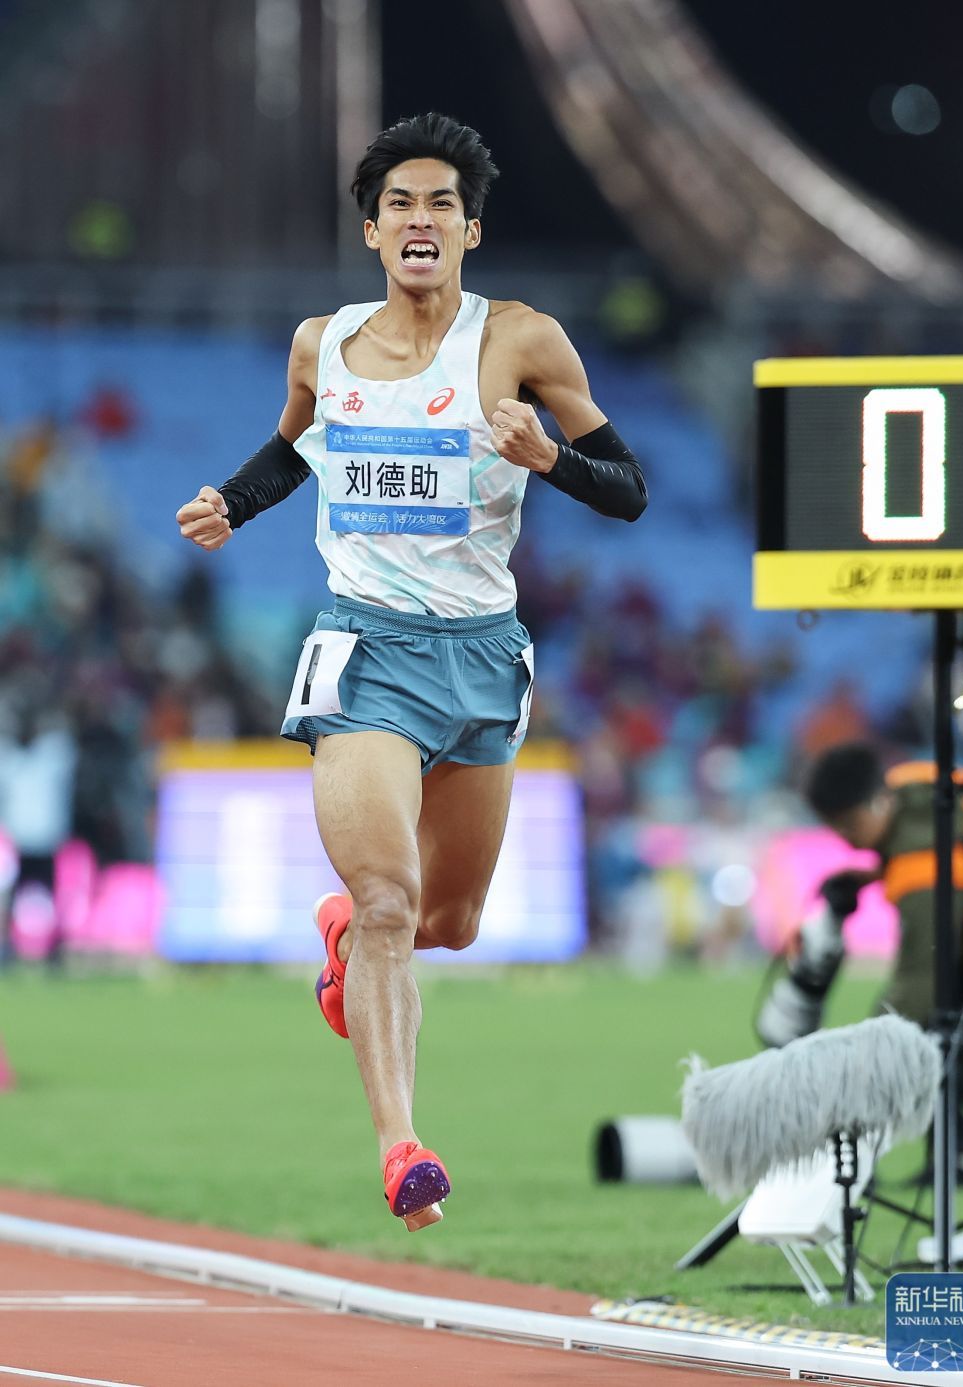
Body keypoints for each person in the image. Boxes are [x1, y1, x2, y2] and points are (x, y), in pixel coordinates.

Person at [176, 113, 647, 1231]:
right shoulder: (322, 344)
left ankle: (342, 934)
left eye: (442, 203)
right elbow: (296, 444)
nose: (420, 219)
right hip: (366, 649)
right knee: (391, 898)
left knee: (452, 921)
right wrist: (231, 503)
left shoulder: (523, 340)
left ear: (470, 230)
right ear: (373, 232)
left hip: (483, 656)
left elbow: (628, 488)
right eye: (400, 204)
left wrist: (550, 457)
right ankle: (403, 1146)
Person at [759, 741, 963, 1180]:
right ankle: (958, 1156)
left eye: (850, 825)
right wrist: (872, 876)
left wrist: (860, 1057)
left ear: (876, 803)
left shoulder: (923, 866)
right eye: (836, 828)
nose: (847, 839)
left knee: (941, 1035)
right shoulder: (913, 789)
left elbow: (921, 984)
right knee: (944, 1032)